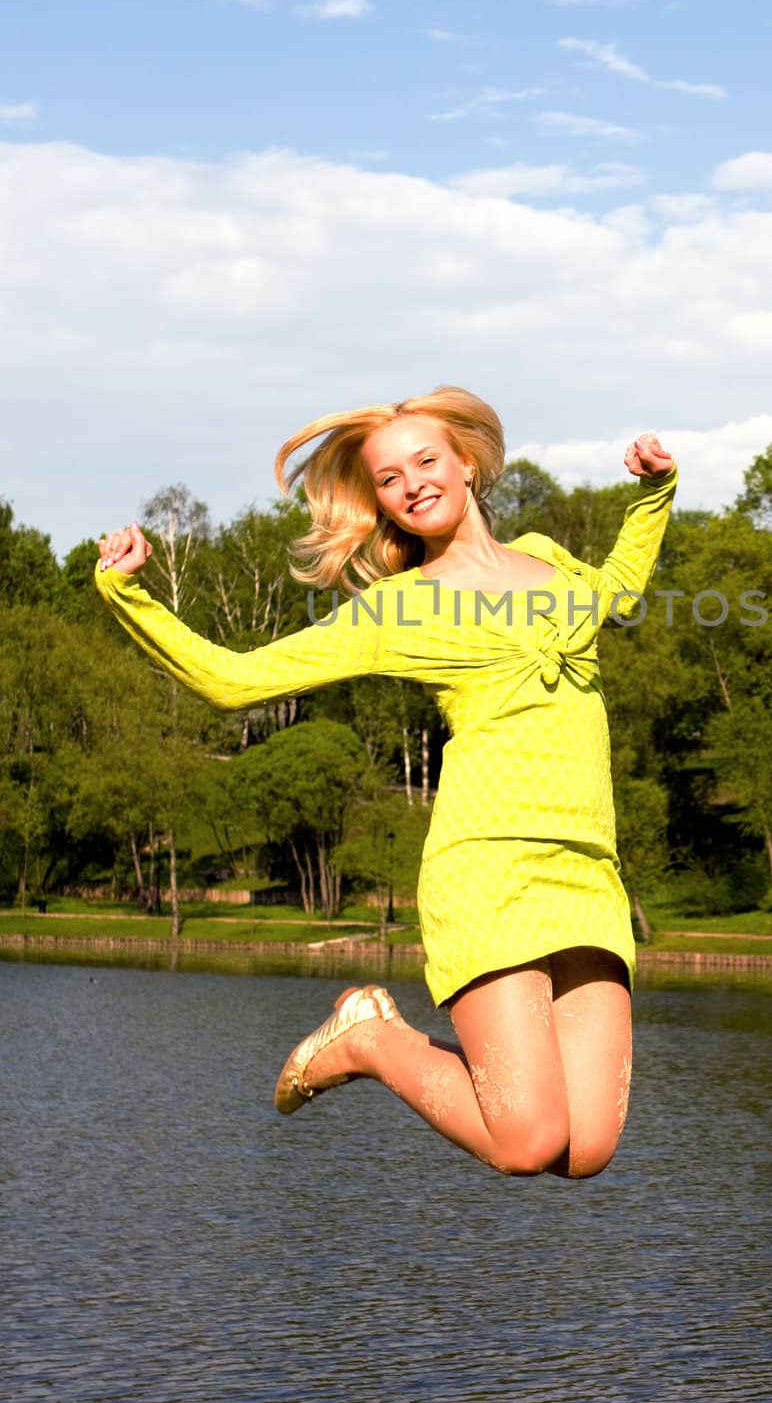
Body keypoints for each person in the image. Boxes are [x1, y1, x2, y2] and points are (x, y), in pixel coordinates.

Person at [96, 385, 678, 1179]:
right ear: (380, 502)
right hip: (491, 870)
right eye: (389, 478)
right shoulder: (396, 611)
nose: (412, 484)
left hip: (588, 869)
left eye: (426, 460)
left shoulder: (546, 558)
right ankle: (370, 1040)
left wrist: (654, 493)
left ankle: (375, 1037)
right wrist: (127, 594)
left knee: (585, 1152)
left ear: (467, 464)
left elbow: (618, 591)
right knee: (526, 1143)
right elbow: (234, 681)